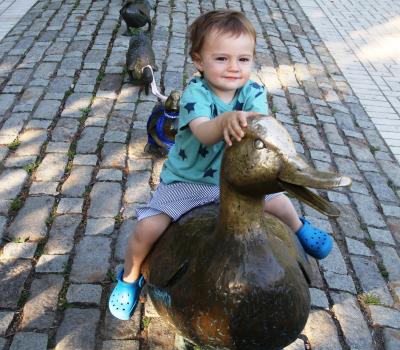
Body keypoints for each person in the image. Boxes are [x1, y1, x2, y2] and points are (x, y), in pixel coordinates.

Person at [109, 9, 333, 320]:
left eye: (243, 59)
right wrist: (225, 120)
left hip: (236, 182)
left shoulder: (252, 91)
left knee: (281, 205)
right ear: (199, 60)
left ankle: (301, 229)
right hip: (190, 182)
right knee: (147, 228)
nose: (233, 68)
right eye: (222, 59)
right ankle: (130, 277)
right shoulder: (195, 93)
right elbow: (203, 132)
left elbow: (260, 124)